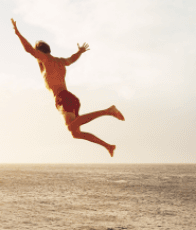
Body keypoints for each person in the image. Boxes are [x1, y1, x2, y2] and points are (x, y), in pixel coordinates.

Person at [11, 18, 124, 157]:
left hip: (62, 98)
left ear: (40, 52)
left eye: (37, 53)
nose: (36, 57)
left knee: (71, 127)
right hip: (70, 98)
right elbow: (72, 58)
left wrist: (17, 33)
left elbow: (28, 49)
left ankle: (108, 111)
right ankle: (108, 146)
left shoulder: (45, 60)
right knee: (75, 133)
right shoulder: (60, 62)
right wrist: (80, 52)